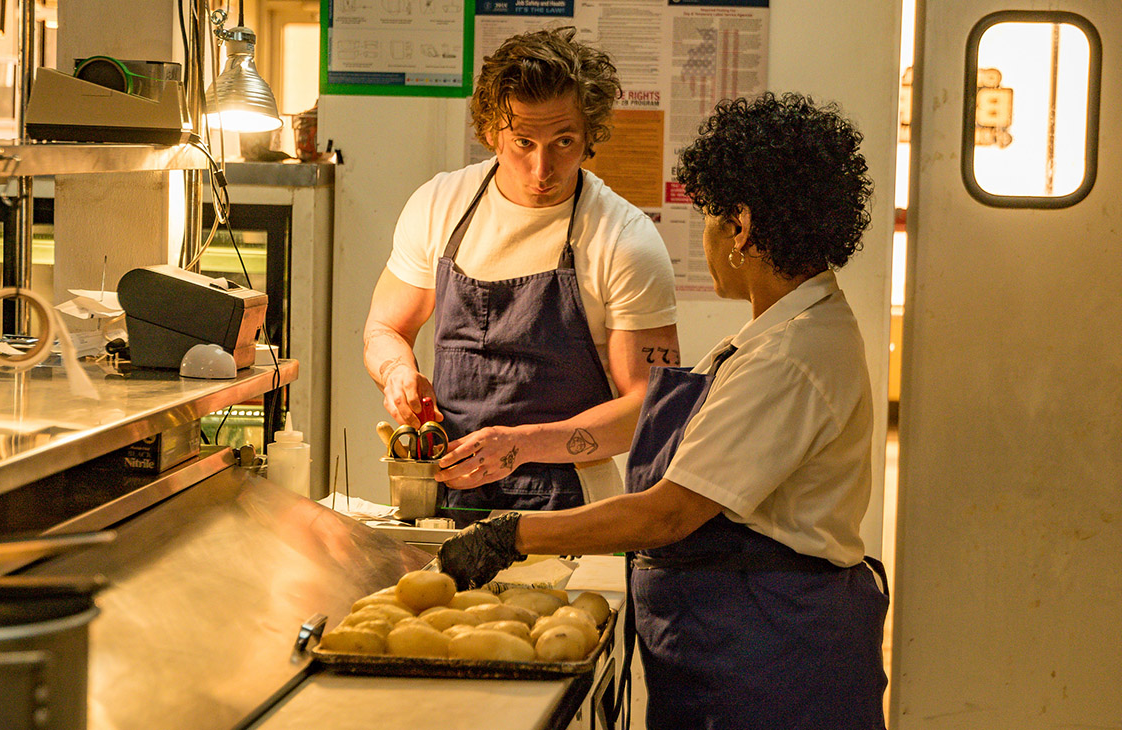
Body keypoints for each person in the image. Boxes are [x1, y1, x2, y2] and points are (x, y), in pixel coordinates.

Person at [438, 92, 889, 729]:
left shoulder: (788, 357)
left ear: (742, 226)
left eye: (707, 217)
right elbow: (666, 447)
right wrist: (523, 455)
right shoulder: (783, 331)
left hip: (769, 656)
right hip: (737, 644)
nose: (702, 237)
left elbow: (669, 512)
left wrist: (512, 535)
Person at [363, 27, 679, 521]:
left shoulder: (624, 239)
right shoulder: (439, 206)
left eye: (564, 141)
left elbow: (648, 405)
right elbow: (385, 330)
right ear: (491, 132)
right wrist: (396, 372)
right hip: (446, 491)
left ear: (591, 133)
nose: (541, 168)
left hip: (571, 505)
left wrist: (524, 444)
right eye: (523, 142)